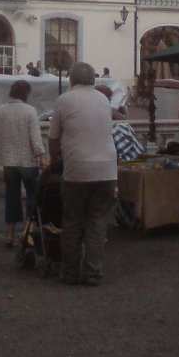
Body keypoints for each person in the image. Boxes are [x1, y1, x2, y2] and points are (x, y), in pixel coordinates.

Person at [47, 61, 118, 286]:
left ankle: (69, 272)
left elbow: (53, 137)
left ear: (71, 79)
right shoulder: (103, 100)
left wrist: (56, 158)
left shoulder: (64, 100)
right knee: (98, 222)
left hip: (78, 168)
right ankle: (92, 272)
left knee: (73, 221)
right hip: (107, 168)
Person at [0, 79, 45, 248]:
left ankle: (9, 234)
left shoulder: (1, 111)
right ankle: (29, 232)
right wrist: (41, 155)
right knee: (32, 196)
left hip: (8, 161)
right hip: (27, 161)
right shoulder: (30, 111)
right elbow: (35, 139)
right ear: (26, 94)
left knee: (12, 196)